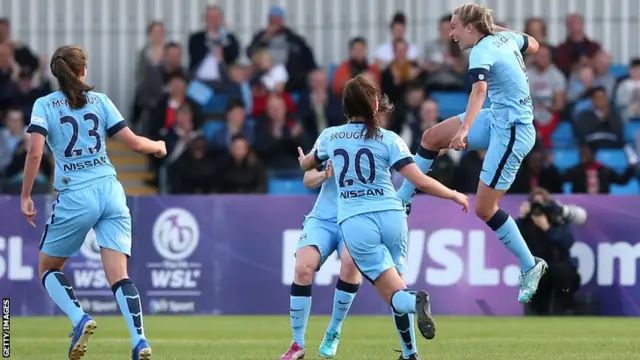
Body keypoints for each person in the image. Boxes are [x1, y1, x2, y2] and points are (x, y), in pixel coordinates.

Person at [297, 74, 470, 360]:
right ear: (375, 103)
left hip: (358, 221)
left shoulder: (331, 136)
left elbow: (307, 164)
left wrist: (305, 160)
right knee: (397, 281)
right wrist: (452, 193)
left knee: (396, 295)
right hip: (393, 216)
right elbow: (419, 180)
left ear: (345, 106)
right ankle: (410, 353)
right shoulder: (390, 139)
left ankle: (416, 301)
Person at [395, 3, 548, 304]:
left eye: (454, 26)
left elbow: (479, 92)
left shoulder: (480, 51)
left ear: (470, 28)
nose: (451, 33)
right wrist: (500, 31)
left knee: (484, 209)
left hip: (513, 130)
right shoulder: (503, 39)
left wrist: (464, 130)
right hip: (498, 116)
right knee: (431, 137)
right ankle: (402, 200)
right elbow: (533, 43)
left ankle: (530, 265)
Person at [21, 45, 166, 360]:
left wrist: (26, 195)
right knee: (120, 275)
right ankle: (139, 340)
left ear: (57, 74)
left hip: (76, 195)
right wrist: (158, 146)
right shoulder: (100, 102)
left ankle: (79, 318)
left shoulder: (44, 105)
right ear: (83, 70)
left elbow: (35, 153)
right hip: (111, 191)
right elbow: (133, 143)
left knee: (48, 266)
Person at [280, 160, 361, 360]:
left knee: (351, 262)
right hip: (322, 218)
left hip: (356, 217)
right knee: (303, 267)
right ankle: (297, 343)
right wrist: (325, 175)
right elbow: (308, 178)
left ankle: (334, 330)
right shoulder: (329, 139)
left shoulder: (380, 142)